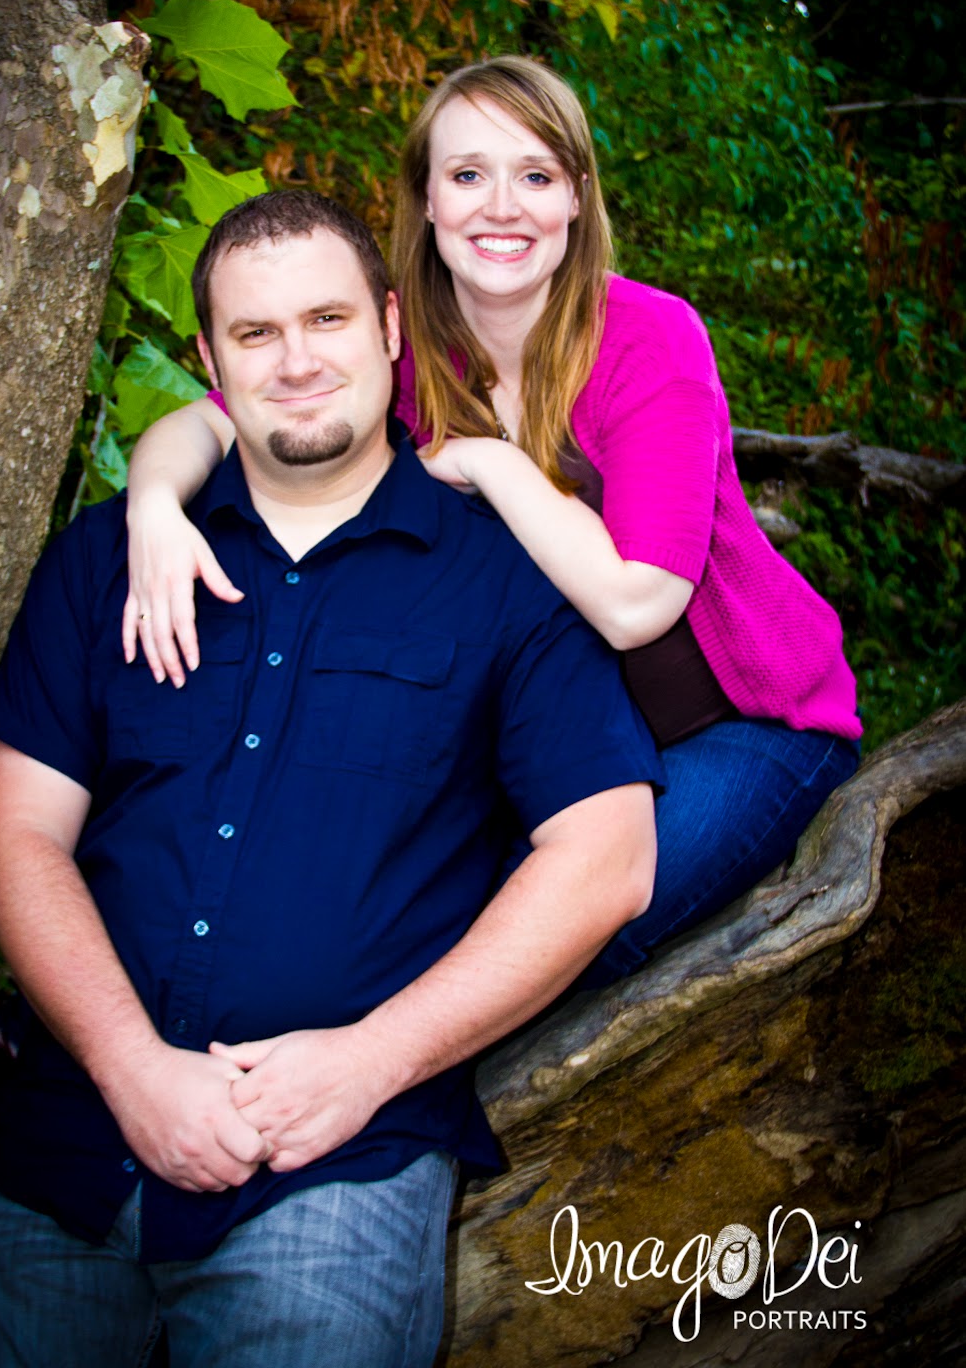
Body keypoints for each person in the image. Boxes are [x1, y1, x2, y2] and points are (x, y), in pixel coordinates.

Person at [0, 189, 661, 1368]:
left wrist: (369, 1060)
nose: (295, 361)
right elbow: (14, 838)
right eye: (255, 333)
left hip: (333, 1168)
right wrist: (132, 1069)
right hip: (63, 1151)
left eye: (325, 319)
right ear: (209, 361)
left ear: (389, 326)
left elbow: (606, 857)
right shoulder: (106, 561)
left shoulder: (503, 577)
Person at [126, 56, 862, 988]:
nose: (501, 207)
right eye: (468, 174)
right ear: (427, 199)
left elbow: (638, 604)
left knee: (538, 944)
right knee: (375, 925)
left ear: (576, 197)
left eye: (536, 175)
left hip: (736, 725)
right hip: (544, 752)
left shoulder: (648, 338)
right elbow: (210, 419)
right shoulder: (403, 347)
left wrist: (488, 461)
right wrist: (154, 508)